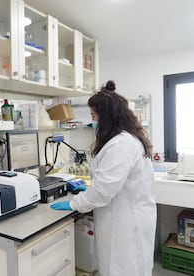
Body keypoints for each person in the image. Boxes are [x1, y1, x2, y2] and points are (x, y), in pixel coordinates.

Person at [51, 81, 156, 276]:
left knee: (123, 269)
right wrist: (90, 191)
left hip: (125, 225)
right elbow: (109, 183)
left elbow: (103, 191)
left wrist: (75, 204)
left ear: (107, 117)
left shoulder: (120, 145)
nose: (92, 121)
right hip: (126, 218)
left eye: (93, 115)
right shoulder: (126, 139)